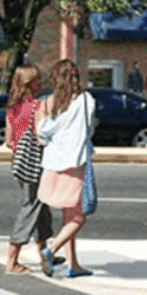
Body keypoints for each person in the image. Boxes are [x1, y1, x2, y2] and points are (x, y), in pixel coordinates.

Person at [36, 58, 97, 278]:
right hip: (75, 163)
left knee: (68, 216)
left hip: (52, 165)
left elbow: (41, 135)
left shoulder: (47, 103)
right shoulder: (85, 100)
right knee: (78, 217)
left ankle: (73, 265)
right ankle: (50, 251)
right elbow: (89, 128)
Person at [0, 64, 56, 275]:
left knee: (42, 208)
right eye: (37, 79)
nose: (40, 82)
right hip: (36, 162)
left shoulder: (12, 107)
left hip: (19, 161)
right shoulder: (37, 106)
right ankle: (12, 260)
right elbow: (41, 137)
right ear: (29, 83)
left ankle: (45, 256)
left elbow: (8, 140)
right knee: (31, 206)